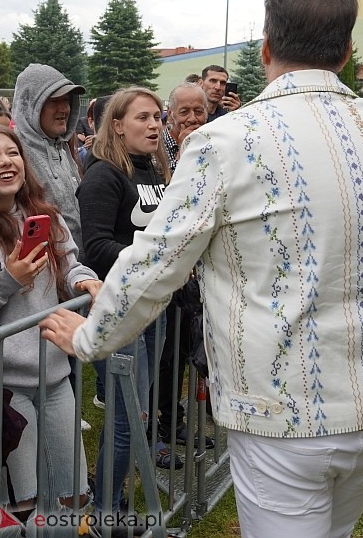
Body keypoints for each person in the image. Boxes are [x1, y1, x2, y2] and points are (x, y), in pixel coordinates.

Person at [40, 0, 363, 538]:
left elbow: (155, 262)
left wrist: (87, 338)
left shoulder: (225, 142)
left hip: (285, 414)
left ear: (265, 49)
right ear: (345, 52)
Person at [0, 123, 99, 519]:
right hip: (4, 386)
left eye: (12, 153)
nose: (6, 162)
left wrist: (84, 280)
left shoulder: (44, 216)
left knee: (73, 493)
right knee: (22, 502)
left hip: (55, 378)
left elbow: (69, 264)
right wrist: (9, 280)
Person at [76, 86, 171, 521]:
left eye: (157, 117)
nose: (154, 126)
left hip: (151, 305)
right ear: (116, 125)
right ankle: (105, 512)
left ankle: (110, 502)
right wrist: (156, 261)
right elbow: (95, 247)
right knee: (127, 417)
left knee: (137, 411)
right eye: (142, 118)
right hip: (117, 310)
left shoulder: (150, 169)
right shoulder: (104, 175)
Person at [155, 82, 212, 463]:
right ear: (171, 115)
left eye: (199, 111)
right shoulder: (159, 150)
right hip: (169, 270)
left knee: (181, 353)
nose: (192, 118)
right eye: (184, 112)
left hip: (197, 269)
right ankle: (160, 424)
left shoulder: (212, 144)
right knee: (165, 354)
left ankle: (174, 419)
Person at [11, 63, 86, 259]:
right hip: (45, 270)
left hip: (78, 270)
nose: (64, 108)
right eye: (54, 101)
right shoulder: (15, 152)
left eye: (66, 100)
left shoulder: (62, 147)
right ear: (31, 105)